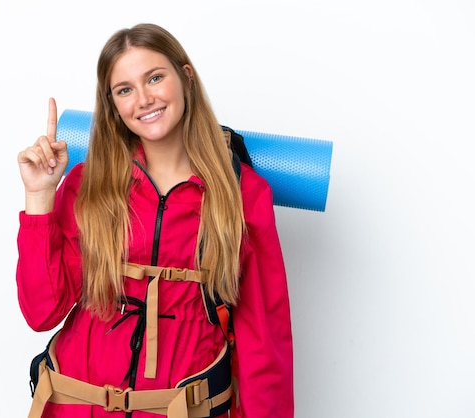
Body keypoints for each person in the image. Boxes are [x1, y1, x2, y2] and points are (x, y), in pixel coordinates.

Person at [16, 23, 293, 418]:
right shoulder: (88, 183)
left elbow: (264, 341)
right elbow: (42, 312)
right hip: (76, 406)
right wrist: (40, 197)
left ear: (186, 77)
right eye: (124, 89)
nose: (144, 99)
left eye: (155, 78)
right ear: (113, 105)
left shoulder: (243, 195)